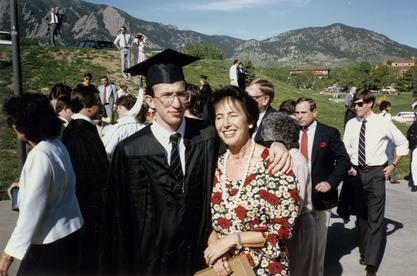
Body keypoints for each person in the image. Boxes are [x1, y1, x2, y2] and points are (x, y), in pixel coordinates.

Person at [99, 49, 291, 275]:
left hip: (203, 257)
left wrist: (278, 143)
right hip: (150, 262)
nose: (176, 103)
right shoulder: (130, 151)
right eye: (167, 95)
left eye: (181, 94)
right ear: (150, 101)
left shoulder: (206, 136)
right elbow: (116, 221)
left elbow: (243, 144)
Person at [204, 86, 300, 276]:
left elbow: (282, 231)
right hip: (226, 269)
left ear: (249, 120)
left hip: (264, 268)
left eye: (232, 115)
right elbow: (214, 224)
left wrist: (232, 240)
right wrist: (216, 249)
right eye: (219, 117)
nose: (225, 123)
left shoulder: (273, 163)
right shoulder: (217, 165)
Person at [0, 93, 83, 275]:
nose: (11, 126)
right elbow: (55, 188)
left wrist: (9, 253)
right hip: (69, 233)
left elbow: (32, 210)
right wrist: (23, 187)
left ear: (25, 125)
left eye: (12, 121)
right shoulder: (57, 145)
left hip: (48, 242)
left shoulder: (39, 155)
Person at [343, 89, 409, 276]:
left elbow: (402, 143)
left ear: (370, 103)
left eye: (360, 104)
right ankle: (365, 251)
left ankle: (371, 263)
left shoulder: (382, 122)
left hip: (376, 173)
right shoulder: (351, 124)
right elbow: (346, 147)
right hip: (356, 173)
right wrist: (349, 165)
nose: (356, 107)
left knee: (375, 219)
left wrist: (393, 165)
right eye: (354, 104)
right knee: (361, 218)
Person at [295, 97, 350, 276]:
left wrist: (331, 182)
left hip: (320, 197)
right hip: (295, 197)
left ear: (315, 112)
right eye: (297, 113)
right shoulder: (292, 132)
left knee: (317, 246)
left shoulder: (328, 133)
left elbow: (343, 161)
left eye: (303, 112)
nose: (299, 117)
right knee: (296, 244)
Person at [261, 112, 318, 276]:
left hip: (297, 227)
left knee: (297, 270)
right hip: (294, 225)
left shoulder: (293, 160)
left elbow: (294, 205)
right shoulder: (290, 157)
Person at [62, 85, 110, 274]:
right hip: (89, 206)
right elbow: (94, 171)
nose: (100, 106)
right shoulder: (82, 132)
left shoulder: (75, 128)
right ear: (88, 106)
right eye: (98, 103)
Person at [245, 79, 277, 143]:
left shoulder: (277, 121)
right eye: (244, 97)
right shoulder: (239, 116)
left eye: (250, 98)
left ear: (265, 100)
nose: (244, 101)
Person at [379, 101, 400, 184]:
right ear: (386, 107)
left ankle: (382, 175)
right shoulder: (387, 115)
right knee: (390, 157)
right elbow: (390, 128)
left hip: (380, 139)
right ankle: (392, 177)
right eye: (389, 107)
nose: (390, 108)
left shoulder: (378, 115)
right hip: (388, 139)